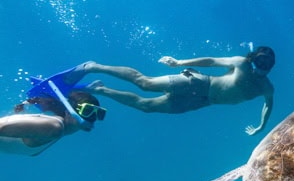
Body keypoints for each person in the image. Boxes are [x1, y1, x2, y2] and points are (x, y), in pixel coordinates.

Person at [77, 46, 275, 135]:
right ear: (252, 59)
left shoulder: (266, 87)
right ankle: (96, 66)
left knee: (146, 106)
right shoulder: (241, 64)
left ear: (270, 67)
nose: (260, 69)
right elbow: (212, 61)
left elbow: (268, 104)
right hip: (199, 83)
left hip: (201, 102)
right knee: (145, 83)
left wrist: (261, 126)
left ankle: (101, 90)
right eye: (258, 63)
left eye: (265, 66)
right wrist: (179, 62)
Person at [0, 91, 107, 156]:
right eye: (87, 111)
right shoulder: (54, 128)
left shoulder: (58, 129)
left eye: (99, 114)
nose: (92, 118)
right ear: (70, 111)